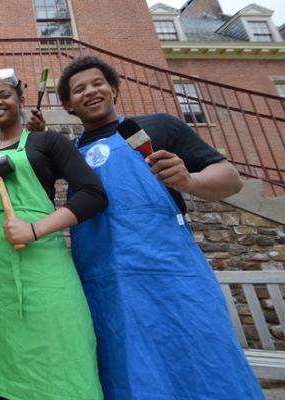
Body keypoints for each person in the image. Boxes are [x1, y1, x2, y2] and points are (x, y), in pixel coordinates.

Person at [58, 55, 263, 399]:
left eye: (97, 83)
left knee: (205, 364)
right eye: (79, 90)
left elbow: (231, 179)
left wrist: (190, 180)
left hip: (172, 275)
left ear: (114, 89)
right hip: (104, 284)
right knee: (128, 374)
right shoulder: (70, 153)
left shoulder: (158, 127)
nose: (90, 92)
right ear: (67, 104)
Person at [0, 68, 107, 400]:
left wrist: (34, 229)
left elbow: (93, 194)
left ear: (20, 97)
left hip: (42, 269)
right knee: (7, 366)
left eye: (4, 95)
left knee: (57, 353)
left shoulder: (48, 142)